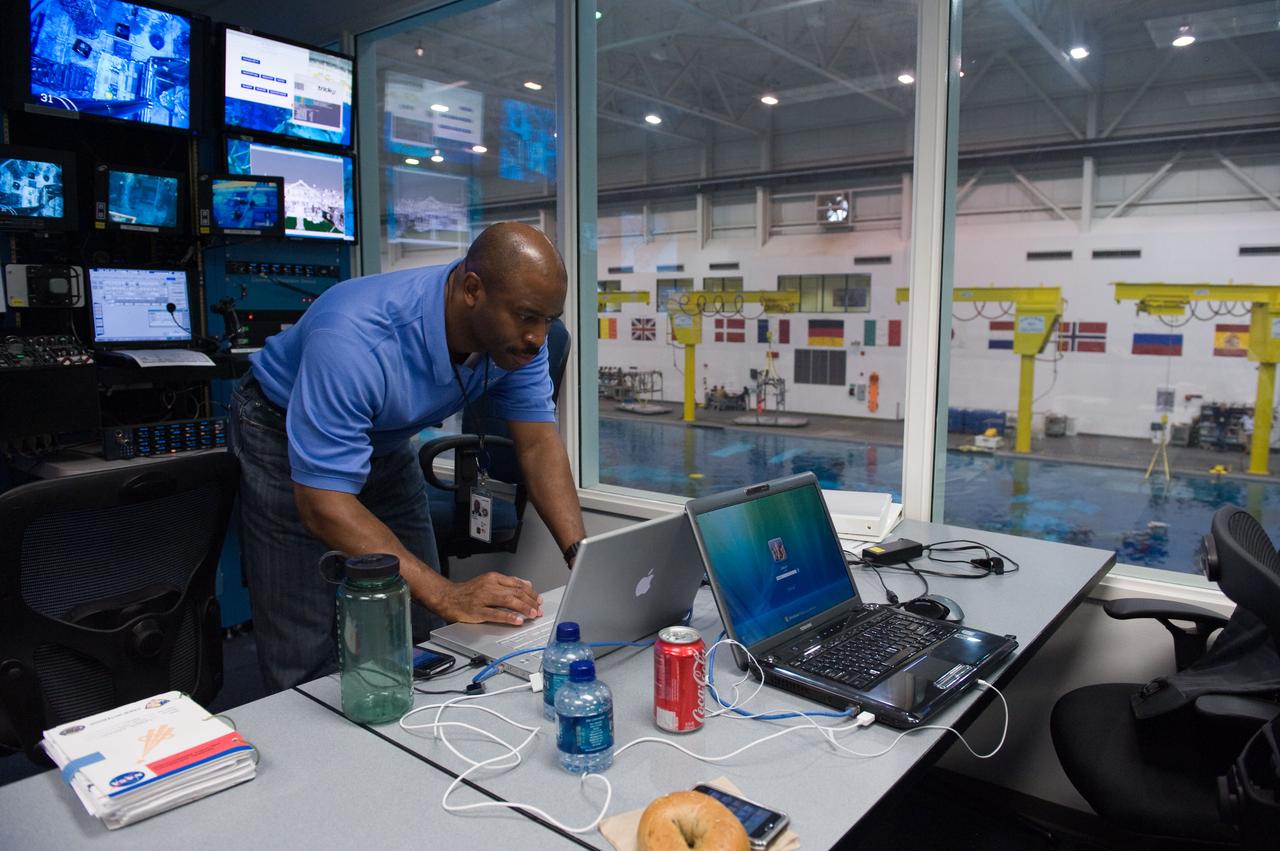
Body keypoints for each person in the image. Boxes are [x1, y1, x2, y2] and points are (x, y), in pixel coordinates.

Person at [229, 222, 587, 691]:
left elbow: (539, 445)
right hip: (279, 430)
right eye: (526, 317)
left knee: (422, 619)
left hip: (385, 437)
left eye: (548, 320)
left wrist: (582, 558)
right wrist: (447, 592)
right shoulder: (355, 335)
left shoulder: (520, 342)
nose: (539, 338)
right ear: (473, 290)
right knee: (304, 633)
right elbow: (325, 506)